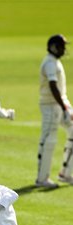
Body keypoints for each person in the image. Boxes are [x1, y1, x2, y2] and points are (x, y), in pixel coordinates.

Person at [36, 34, 73, 188]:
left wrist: (66, 105)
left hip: (60, 104)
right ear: (53, 47)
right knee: (48, 141)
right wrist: (63, 106)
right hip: (51, 106)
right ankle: (42, 179)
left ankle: (66, 172)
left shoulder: (54, 62)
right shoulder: (50, 63)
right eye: (61, 46)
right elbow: (53, 85)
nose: (64, 49)